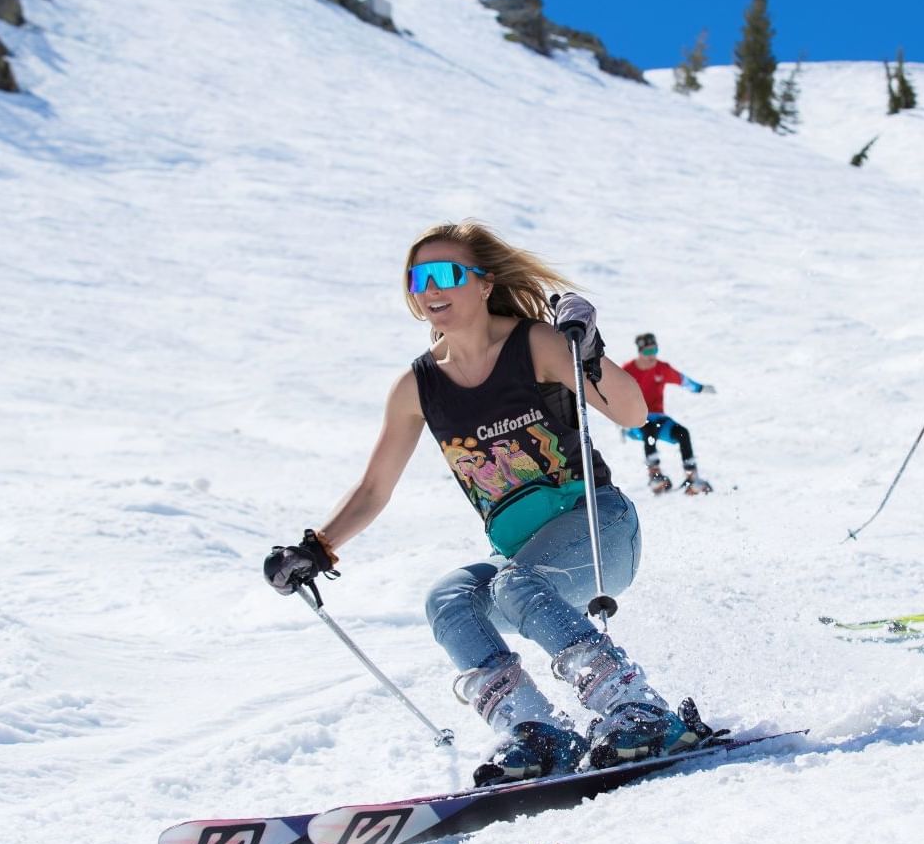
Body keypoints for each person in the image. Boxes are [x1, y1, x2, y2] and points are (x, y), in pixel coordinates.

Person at [262, 221, 711, 787]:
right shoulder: (417, 388)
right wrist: (316, 548)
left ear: (483, 283)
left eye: (444, 273)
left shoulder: (536, 346)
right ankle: (537, 731)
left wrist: (588, 351)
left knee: (513, 584)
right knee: (448, 600)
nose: (428, 288)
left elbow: (631, 415)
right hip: (525, 564)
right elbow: (375, 487)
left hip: (599, 531)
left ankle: (638, 709)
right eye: (415, 277)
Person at [621, 332, 717, 495]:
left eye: (654, 351)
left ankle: (692, 477)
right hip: (636, 422)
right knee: (649, 428)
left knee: (682, 433)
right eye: (647, 352)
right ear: (640, 352)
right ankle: (655, 475)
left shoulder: (662, 368)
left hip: (659, 418)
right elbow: (613, 393)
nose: (652, 356)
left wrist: (700, 388)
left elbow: (682, 380)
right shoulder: (627, 371)